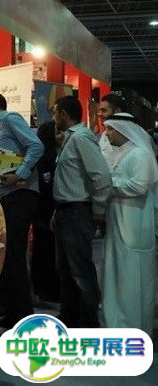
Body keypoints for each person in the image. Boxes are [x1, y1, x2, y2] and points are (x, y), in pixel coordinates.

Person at [0, 91, 43, 328]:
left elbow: (36, 146)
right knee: (9, 256)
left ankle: (23, 317)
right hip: (9, 195)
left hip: (19, 195)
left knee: (14, 256)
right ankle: (13, 313)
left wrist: (20, 174)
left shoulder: (10, 119)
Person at [52, 95, 112, 327]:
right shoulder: (71, 138)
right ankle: (69, 317)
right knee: (65, 270)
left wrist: (98, 209)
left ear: (64, 114)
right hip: (66, 211)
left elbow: (101, 176)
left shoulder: (81, 138)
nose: (54, 118)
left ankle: (88, 322)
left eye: (55, 113)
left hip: (77, 212)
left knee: (80, 272)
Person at [101, 113, 156, 336]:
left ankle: (133, 329)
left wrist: (109, 185)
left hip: (135, 225)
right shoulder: (123, 153)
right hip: (119, 223)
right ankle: (117, 327)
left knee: (133, 279)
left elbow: (139, 186)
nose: (107, 134)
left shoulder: (140, 154)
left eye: (111, 129)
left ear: (124, 130)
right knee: (117, 277)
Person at [30, 121, 62, 304]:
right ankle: (47, 289)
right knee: (46, 252)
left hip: (45, 210)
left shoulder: (52, 156)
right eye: (57, 133)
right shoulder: (46, 158)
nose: (61, 136)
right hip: (45, 211)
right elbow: (46, 184)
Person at [97, 93, 127, 168]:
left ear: (117, 111)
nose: (99, 114)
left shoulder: (131, 138)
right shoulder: (100, 137)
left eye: (104, 110)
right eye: (99, 110)